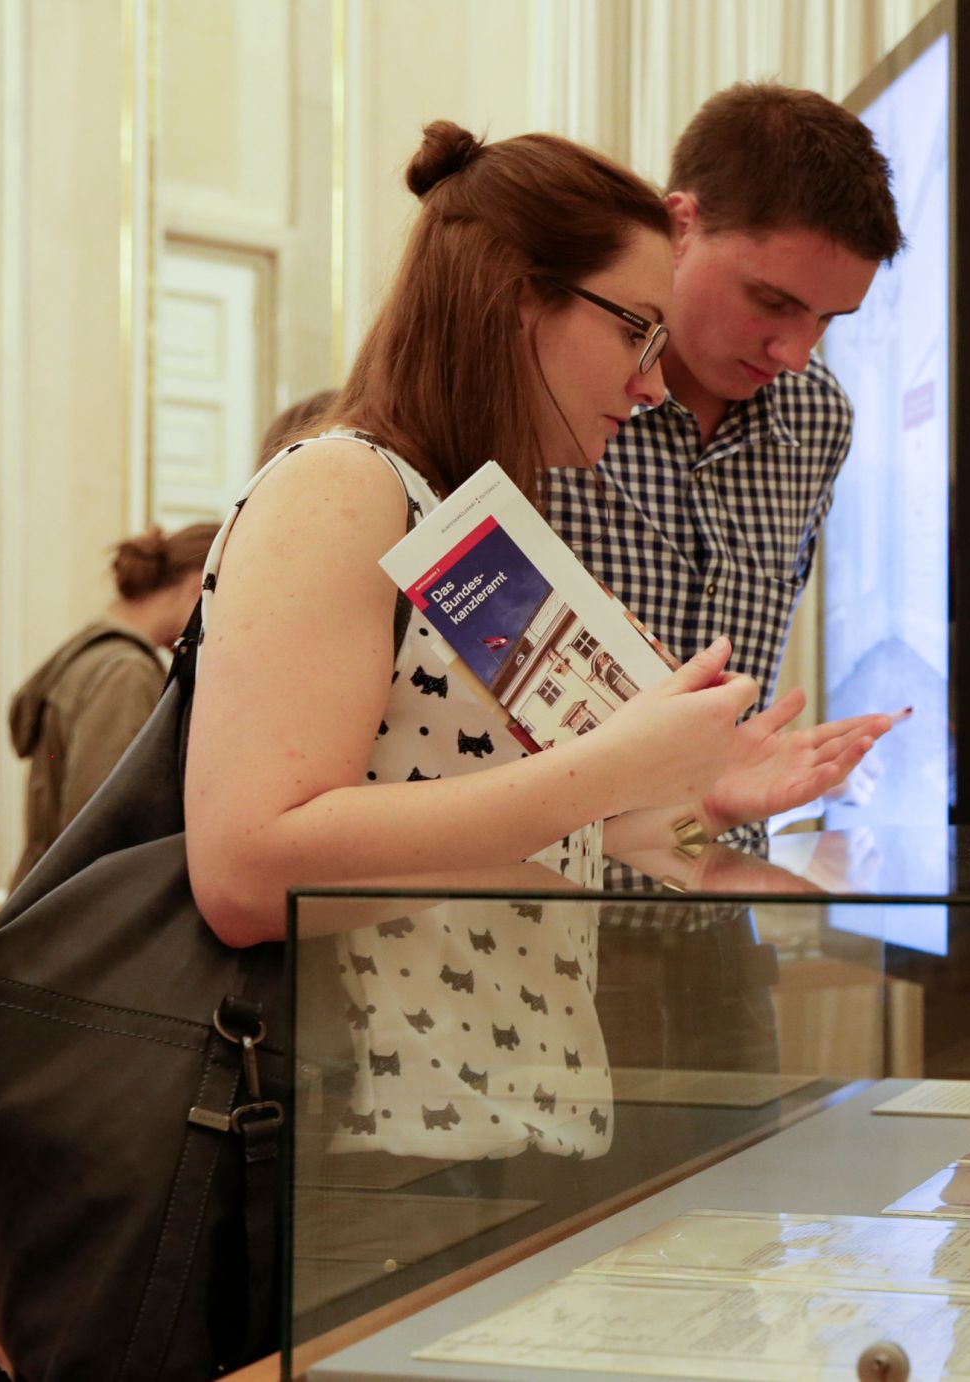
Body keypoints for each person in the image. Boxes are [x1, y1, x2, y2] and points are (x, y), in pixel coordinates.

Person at [185, 122, 894, 1100]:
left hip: (511, 1101)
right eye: (631, 331)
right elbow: (247, 871)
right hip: (385, 1117)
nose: (649, 381)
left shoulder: (474, 524)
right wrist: (618, 766)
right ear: (520, 298)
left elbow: (576, 829)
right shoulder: (344, 483)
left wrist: (705, 807)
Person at [547, 82, 905, 849]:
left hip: (716, 895)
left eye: (827, 320)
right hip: (539, 912)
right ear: (681, 225)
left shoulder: (818, 417)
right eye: (772, 302)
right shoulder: (554, 380)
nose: (796, 353)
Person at [7, 520, 219, 888]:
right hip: (78, 920)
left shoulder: (94, 656)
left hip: (52, 909)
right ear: (198, 586)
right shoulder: (126, 673)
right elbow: (108, 831)